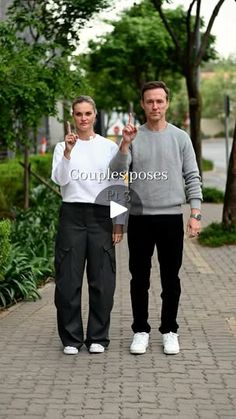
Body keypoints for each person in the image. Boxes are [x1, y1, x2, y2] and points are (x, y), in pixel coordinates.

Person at [110, 81, 202, 355]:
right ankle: (140, 330)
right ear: (142, 104)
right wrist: (125, 144)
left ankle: (169, 330)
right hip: (140, 218)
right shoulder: (132, 137)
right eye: (149, 101)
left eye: (159, 101)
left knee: (170, 278)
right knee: (139, 278)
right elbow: (116, 173)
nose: (155, 106)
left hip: (171, 216)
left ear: (167, 103)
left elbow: (192, 177)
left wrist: (195, 213)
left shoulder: (180, 138)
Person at [51, 95, 123, 355]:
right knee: (68, 280)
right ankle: (71, 339)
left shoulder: (109, 147)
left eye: (87, 113)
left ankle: (97, 337)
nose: (83, 118)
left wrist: (119, 222)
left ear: (95, 115)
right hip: (72, 215)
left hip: (101, 216)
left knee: (103, 281)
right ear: (73, 116)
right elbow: (61, 180)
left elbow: (117, 185)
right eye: (78, 114)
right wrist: (69, 153)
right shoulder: (62, 147)